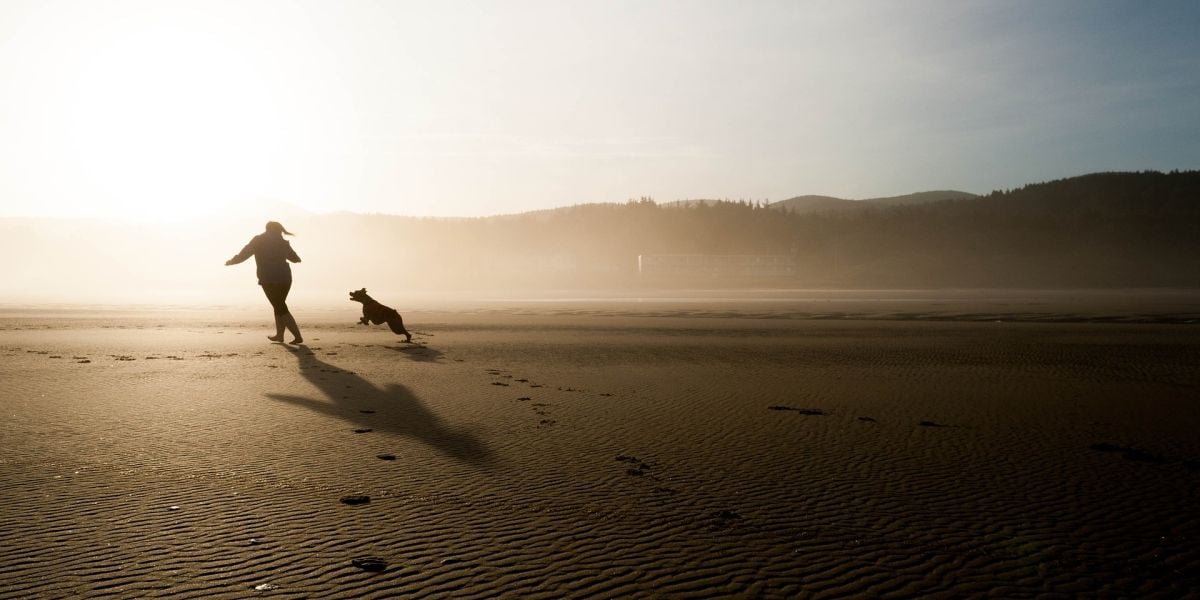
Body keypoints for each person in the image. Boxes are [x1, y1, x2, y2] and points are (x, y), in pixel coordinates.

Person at [225, 221, 304, 344]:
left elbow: (245, 253)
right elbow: (295, 259)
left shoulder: (259, 240)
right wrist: (293, 256)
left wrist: (232, 261)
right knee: (279, 305)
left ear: (267, 229)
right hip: (285, 278)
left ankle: (297, 336)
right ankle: (279, 335)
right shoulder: (281, 242)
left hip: (269, 278)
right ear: (278, 230)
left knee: (280, 306)